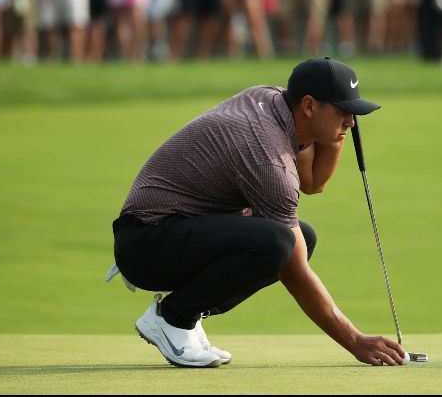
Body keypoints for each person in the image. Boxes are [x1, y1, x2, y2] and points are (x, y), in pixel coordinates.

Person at [109, 57, 407, 368]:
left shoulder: (277, 103)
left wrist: (334, 134)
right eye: (342, 111)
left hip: (173, 227)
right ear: (309, 105)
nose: (351, 122)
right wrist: (355, 340)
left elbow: (313, 182)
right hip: (146, 243)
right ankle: (173, 318)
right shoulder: (267, 158)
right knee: (278, 243)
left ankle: (185, 313)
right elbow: (294, 272)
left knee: (302, 237)